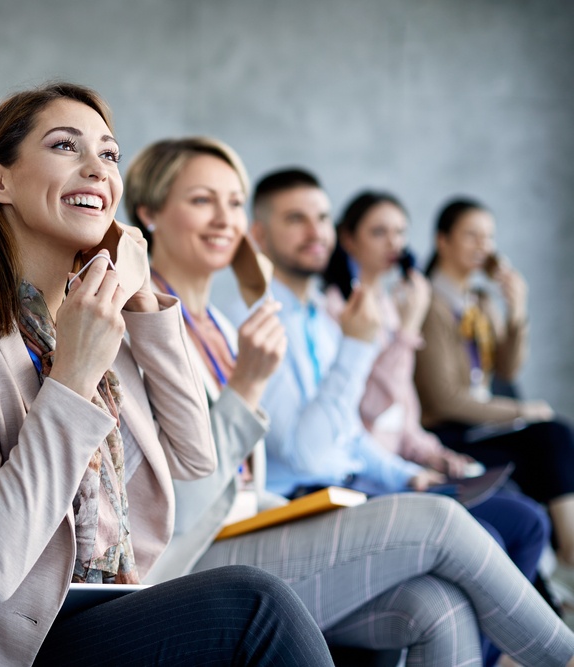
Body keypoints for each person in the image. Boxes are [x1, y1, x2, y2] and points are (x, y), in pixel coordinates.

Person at [0, 84, 335, 667]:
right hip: (23, 641)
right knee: (256, 604)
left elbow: (196, 457)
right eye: (65, 147)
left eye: (109, 154)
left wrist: (145, 303)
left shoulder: (98, 316)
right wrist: (72, 376)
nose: (96, 169)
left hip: (115, 604)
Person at [124, 139, 574, 666]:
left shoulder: (223, 327)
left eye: (234, 201)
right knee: (441, 520)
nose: (226, 219)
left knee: (436, 606)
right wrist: (249, 386)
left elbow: (259, 473)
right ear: (149, 212)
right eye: (203, 200)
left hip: (260, 523)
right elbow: (184, 507)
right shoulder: (143, 330)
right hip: (191, 556)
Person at [321, 190, 554, 664]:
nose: (393, 242)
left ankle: (496, 652)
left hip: (408, 461)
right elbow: (365, 411)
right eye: (378, 231)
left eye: (400, 232)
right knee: (495, 526)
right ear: (347, 238)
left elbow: (402, 418)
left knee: (528, 518)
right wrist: (407, 330)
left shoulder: (393, 303)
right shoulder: (336, 310)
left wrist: (434, 455)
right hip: (367, 477)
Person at [417, 197, 574, 595]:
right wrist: (520, 410)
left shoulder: (481, 301)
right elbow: (446, 399)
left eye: (488, 237)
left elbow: (507, 368)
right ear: (442, 240)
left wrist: (516, 310)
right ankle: (568, 555)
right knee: (550, 435)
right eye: (471, 235)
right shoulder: (428, 302)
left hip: (480, 428)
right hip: (448, 434)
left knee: (549, 447)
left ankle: (555, 574)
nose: (482, 245)